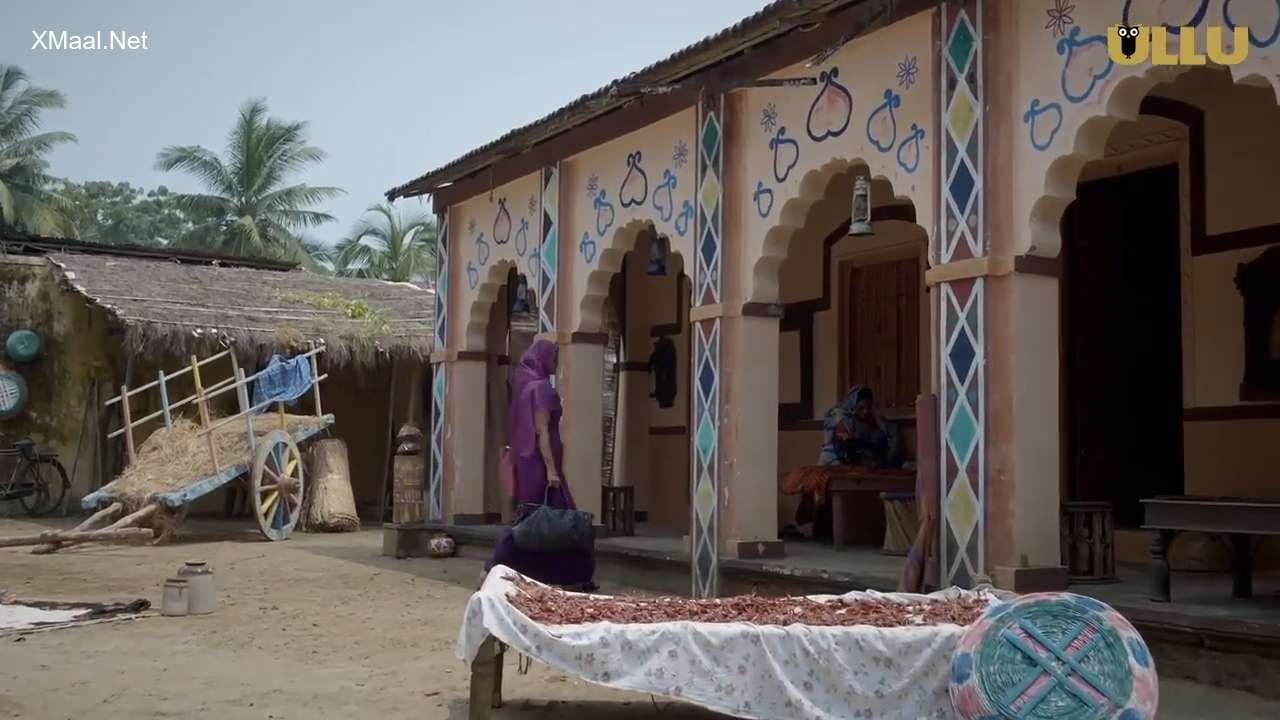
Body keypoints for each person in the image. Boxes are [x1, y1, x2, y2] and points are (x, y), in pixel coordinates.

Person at [485, 339, 596, 589]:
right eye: (554, 358)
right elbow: (542, 431)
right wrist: (551, 470)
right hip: (542, 469)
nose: (556, 363)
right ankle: (575, 576)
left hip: (528, 466)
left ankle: (553, 575)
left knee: (537, 521)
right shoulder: (541, 388)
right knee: (559, 521)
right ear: (543, 358)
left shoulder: (525, 387)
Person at [793, 385, 902, 539]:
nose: (865, 411)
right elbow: (845, 446)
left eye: (868, 407)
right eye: (861, 408)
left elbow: (888, 438)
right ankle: (822, 532)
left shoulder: (873, 421)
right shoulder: (840, 417)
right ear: (853, 405)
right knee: (823, 484)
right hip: (833, 460)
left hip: (856, 462)